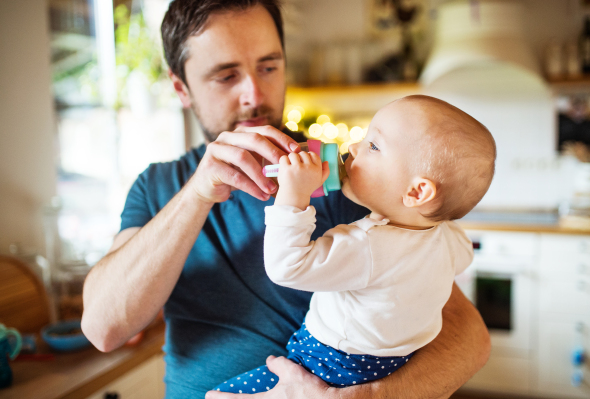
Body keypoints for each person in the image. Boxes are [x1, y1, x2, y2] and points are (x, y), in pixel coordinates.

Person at [81, 1, 491, 398]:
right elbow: (104, 328)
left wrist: (365, 398)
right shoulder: (158, 186)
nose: (254, 94)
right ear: (180, 87)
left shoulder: (348, 176)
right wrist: (197, 193)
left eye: (269, 66)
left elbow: (467, 338)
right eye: (226, 76)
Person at [212, 95, 496, 394]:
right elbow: (462, 258)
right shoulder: (449, 238)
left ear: (416, 192)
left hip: (329, 366)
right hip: (393, 364)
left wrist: (293, 196)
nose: (353, 147)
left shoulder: (368, 246)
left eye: (373, 146)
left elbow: (286, 268)